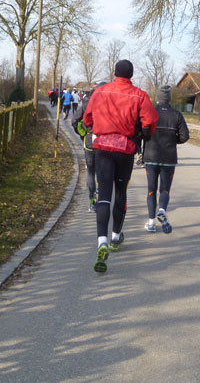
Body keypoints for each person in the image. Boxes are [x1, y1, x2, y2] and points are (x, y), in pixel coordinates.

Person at [83, 60, 158, 273]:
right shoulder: (140, 95)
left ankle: (102, 242)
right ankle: (116, 236)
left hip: (103, 148)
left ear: (115, 72)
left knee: (104, 195)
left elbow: (87, 118)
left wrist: (98, 125)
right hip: (125, 149)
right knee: (121, 192)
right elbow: (150, 121)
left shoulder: (100, 92)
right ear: (131, 74)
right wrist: (142, 133)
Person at [142, 85, 189, 234]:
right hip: (169, 157)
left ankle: (151, 223)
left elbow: (143, 131)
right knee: (165, 189)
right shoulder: (177, 114)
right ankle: (162, 209)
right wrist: (173, 141)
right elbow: (185, 136)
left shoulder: (150, 112)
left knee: (151, 189)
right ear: (169, 98)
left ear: (157, 98)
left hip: (151, 156)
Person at [72, 82, 106, 212]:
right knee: (103, 172)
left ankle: (92, 200)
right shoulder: (110, 103)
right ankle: (102, 199)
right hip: (105, 141)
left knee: (91, 172)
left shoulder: (87, 102)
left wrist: (82, 133)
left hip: (89, 139)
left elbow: (74, 121)